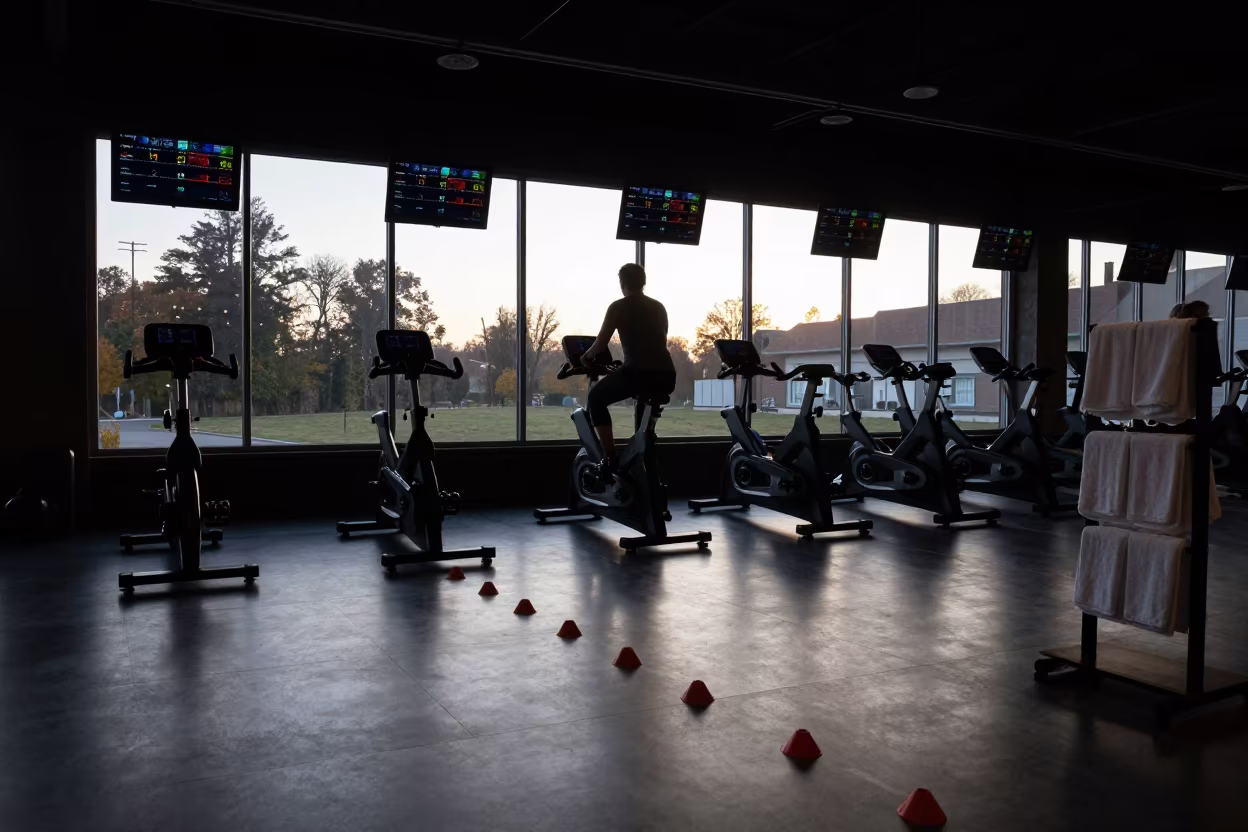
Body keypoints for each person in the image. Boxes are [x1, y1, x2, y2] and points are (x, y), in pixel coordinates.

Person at [581, 263, 675, 472]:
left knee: (595, 399)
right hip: (666, 374)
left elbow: (600, 344)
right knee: (643, 423)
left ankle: (610, 459)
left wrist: (586, 356)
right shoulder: (659, 307)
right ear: (643, 282)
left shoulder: (618, 306)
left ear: (622, 283)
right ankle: (643, 462)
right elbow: (657, 341)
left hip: (637, 373)